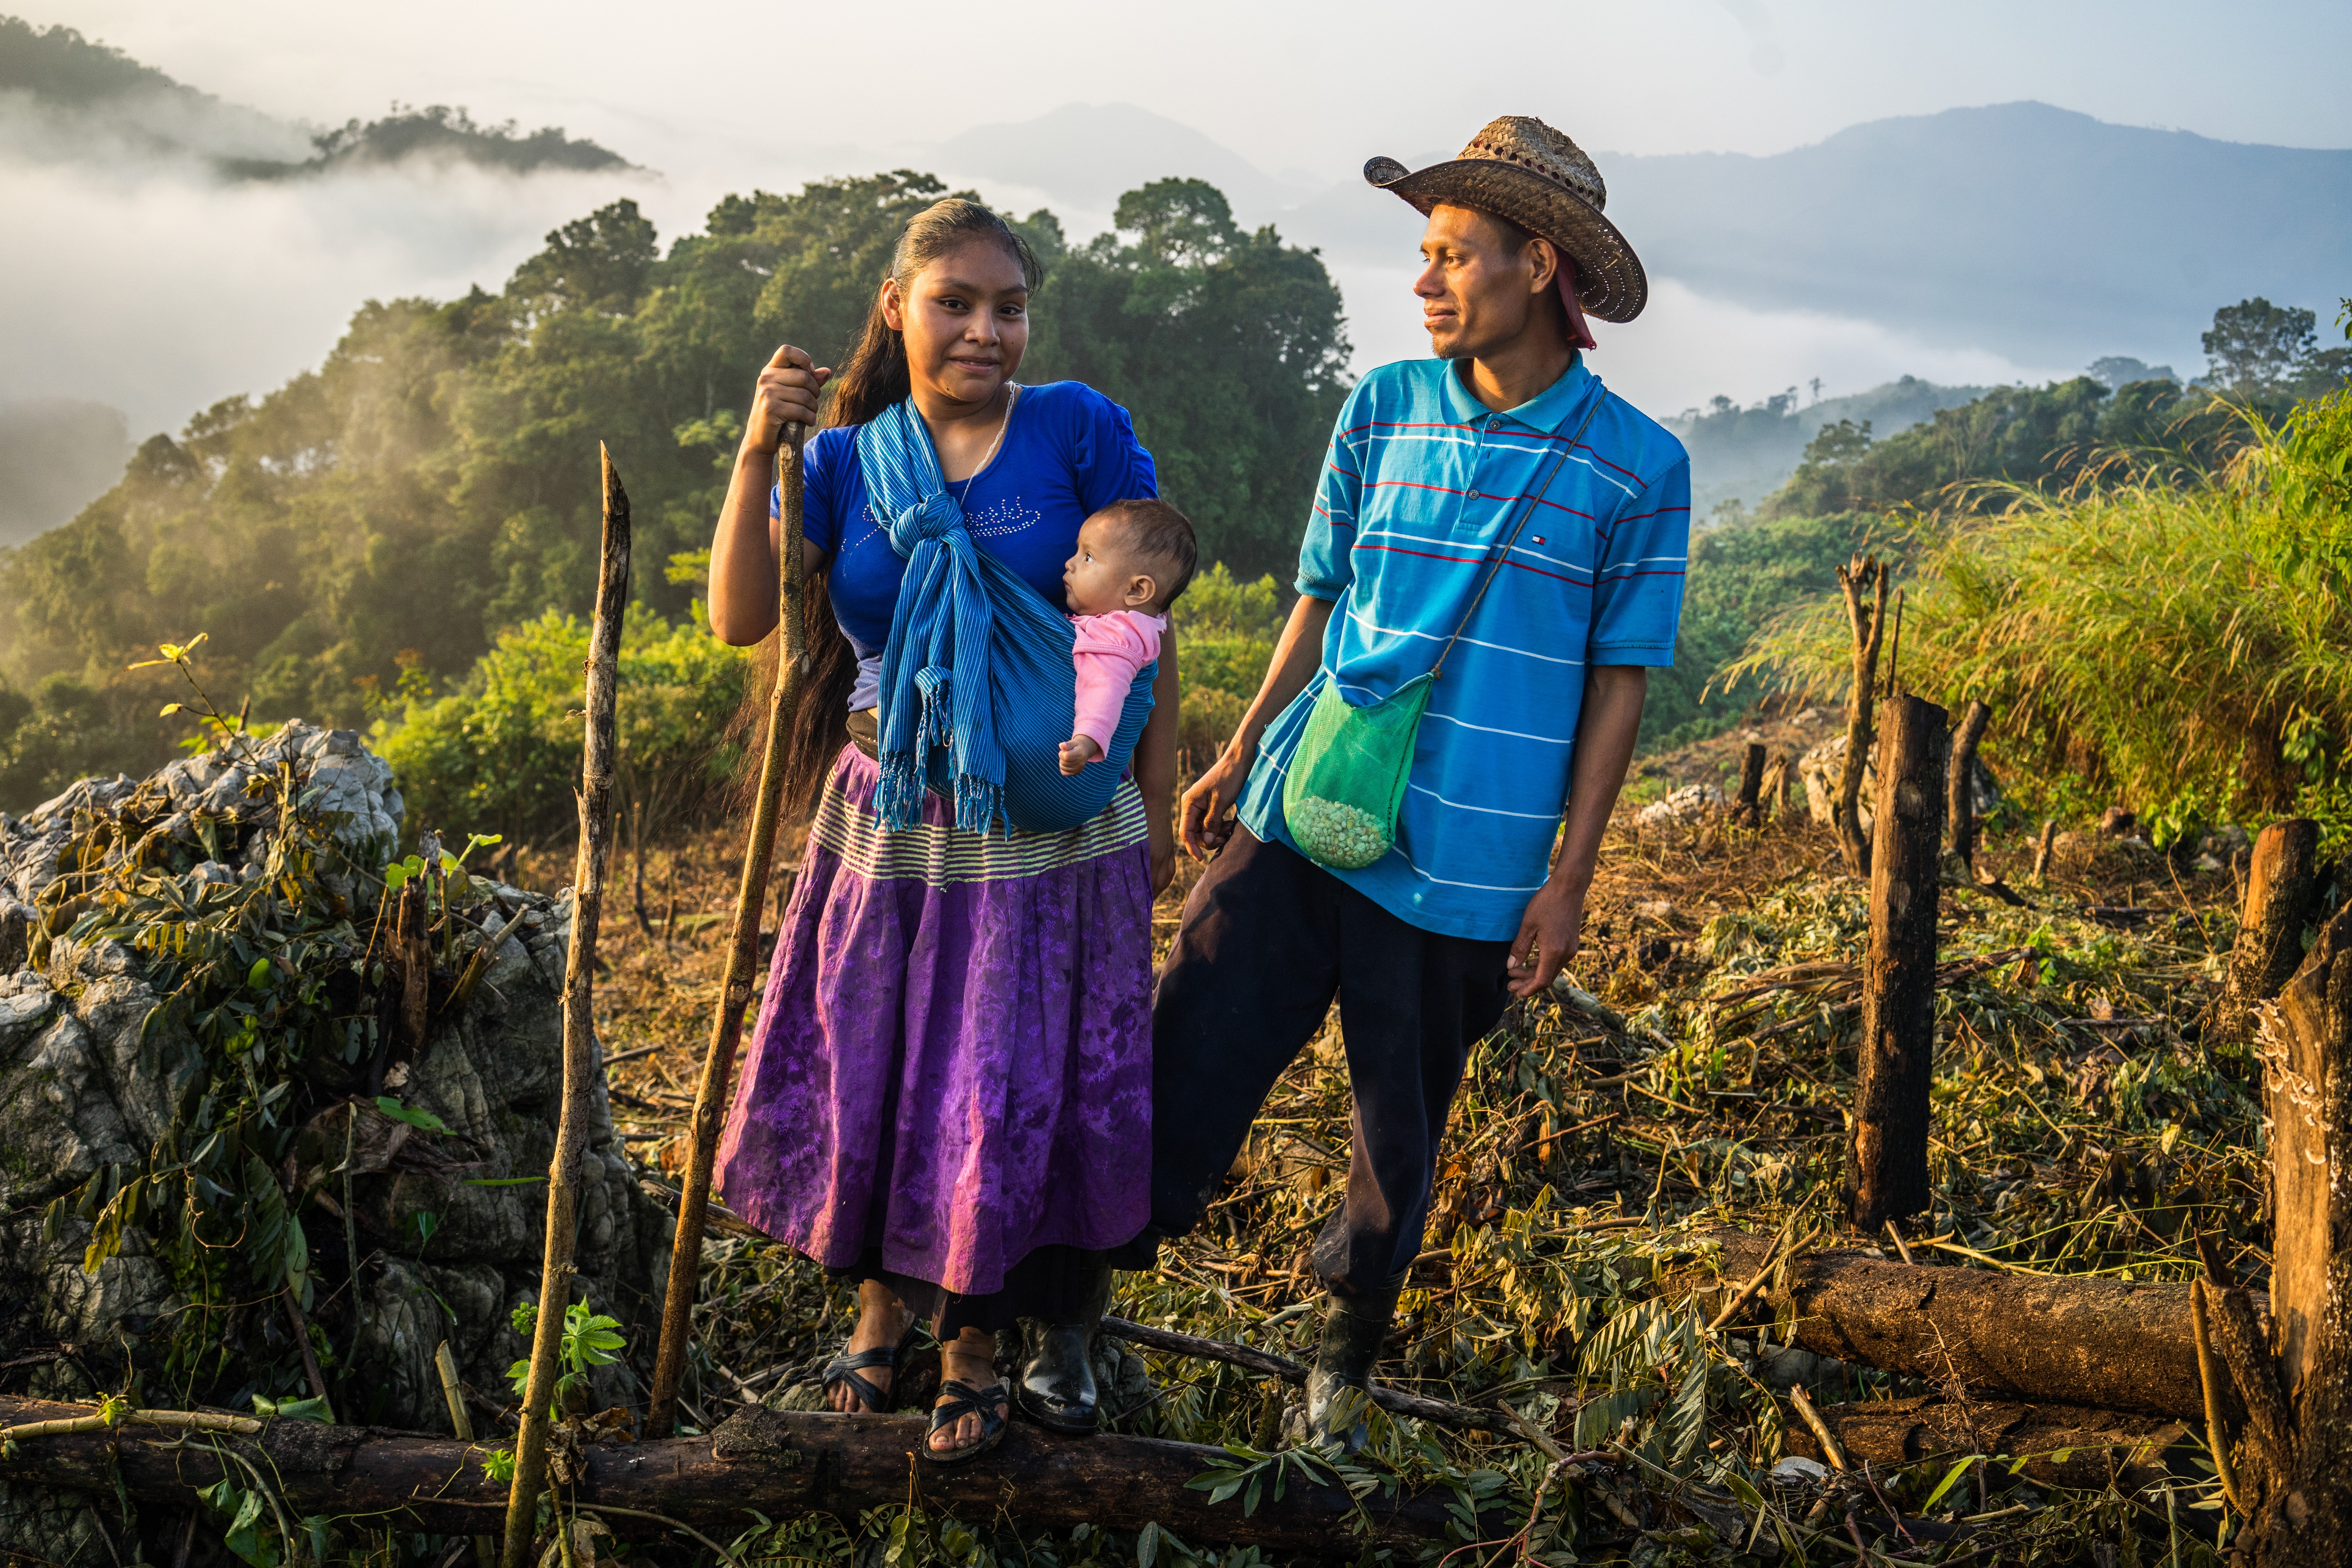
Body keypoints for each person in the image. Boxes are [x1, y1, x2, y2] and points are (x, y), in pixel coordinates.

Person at [1148, 116, 1690, 1448]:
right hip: (1303, 814)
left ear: (1540, 266)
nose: (1424, 281)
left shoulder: (1640, 469)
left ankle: (1343, 1360)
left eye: (1454, 255)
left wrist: (1570, 883)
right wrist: (1235, 745)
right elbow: (1321, 595)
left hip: (1469, 864)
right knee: (1182, 1052)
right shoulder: (1382, 406)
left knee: (1399, 1138)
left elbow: (1619, 681)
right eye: (1426, 252)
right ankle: (1062, 1319)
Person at [704, 198, 1179, 1463]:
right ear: (896, 309)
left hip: (1046, 845)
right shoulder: (848, 463)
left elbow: (1146, 623)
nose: (985, 330)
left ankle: (975, 1335)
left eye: (1007, 307)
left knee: (996, 1081)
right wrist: (761, 451)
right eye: (954, 304)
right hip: (893, 828)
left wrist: (1165, 795)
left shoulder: (1078, 430)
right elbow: (739, 619)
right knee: (893, 1066)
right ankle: (880, 1306)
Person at [1059, 499, 1198, 775]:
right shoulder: (1134, 627)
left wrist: (1085, 743)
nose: (1070, 563)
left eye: (1088, 557)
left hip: (1077, 768)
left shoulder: (1118, 641)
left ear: (1137, 591)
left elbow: (1105, 691)